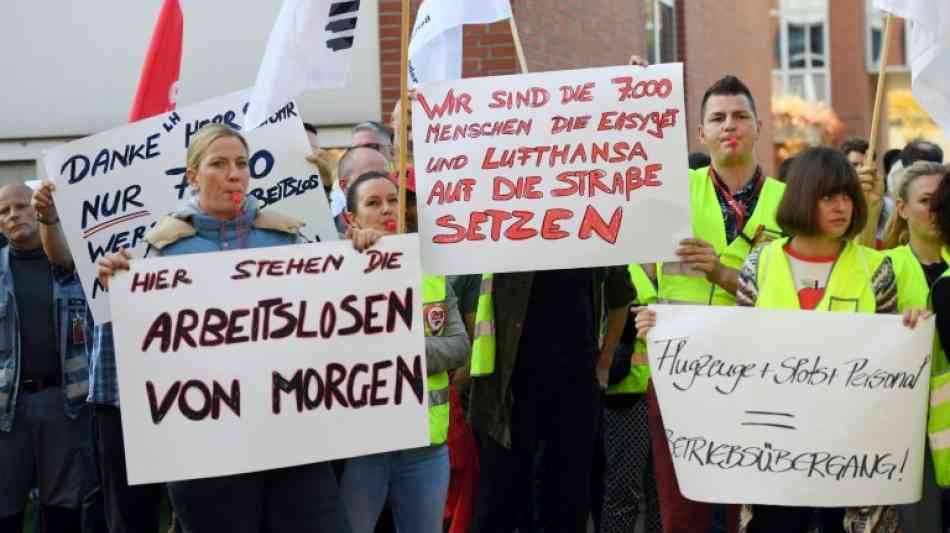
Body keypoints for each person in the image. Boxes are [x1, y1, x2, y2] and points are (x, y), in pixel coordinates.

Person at [640, 146, 921, 532]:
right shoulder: (762, 263)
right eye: (827, 196)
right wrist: (666, 328)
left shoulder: (877, 269)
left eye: (845, 196)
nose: (841, 207)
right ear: (802, 198)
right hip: (777, 457)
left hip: (852, 456)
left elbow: (892, 359)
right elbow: (738, 343)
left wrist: (912, 325)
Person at [97, 124, 350, 533]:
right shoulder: (160, 251)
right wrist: (121, 287)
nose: (235, 174)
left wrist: (365, 251)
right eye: (219, 163)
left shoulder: (287, 239)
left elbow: (335, 313)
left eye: (242, 163)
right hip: (205, 453)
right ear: (192, 175)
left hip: (291, 441)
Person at [643, 74, 786, 533]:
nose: (730, 126)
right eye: (718, 118)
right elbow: (631, 258)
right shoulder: (670, 191)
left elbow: (805, 295)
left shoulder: (791, 203)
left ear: (759, 127)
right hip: (680, 374)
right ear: (700, 133)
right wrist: (638, 95)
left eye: (741, 116)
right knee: (684, 512)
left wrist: (724, 275)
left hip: (766, 377)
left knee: (755, 511)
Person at [338, 171, 469, 533]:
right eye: (373, 203)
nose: (387, 210)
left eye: (393, 200)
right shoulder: (335, 268)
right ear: (351, 217)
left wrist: (401, 347)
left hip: (426, 449)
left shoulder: (429, 267)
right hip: (363, 448)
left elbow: (459, 346)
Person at [32, 179, 154, 533]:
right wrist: (50, 219)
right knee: (127, 509)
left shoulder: (185, 234)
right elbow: (62, 259)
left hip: (179, 386)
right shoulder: (90, 253)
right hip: (116, 393)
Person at [0, 183, 94, 533]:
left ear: (36, 211)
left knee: (63, 507)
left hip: (64, 404)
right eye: (4, 211)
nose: (13, 215)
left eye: (21, 206)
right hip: (6, 409)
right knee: (6, 507)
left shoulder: (70, 266)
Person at [881, 162, 950, 532]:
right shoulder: (882, 267)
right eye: (926, 200)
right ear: (902, 208)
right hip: (908, 425)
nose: (935, 210)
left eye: (942, 200)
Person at [600, 264, 661, 533]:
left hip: (667, 393)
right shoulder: (617, 263)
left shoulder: (668, 266)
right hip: (626, 396)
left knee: (661, 494)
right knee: (624, 492)